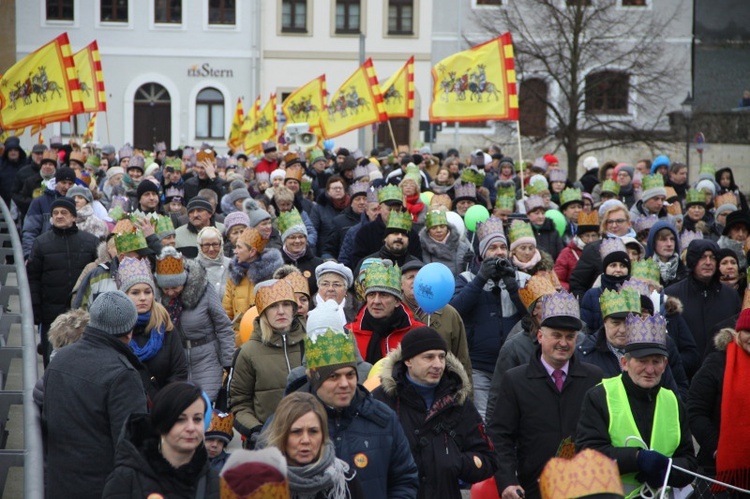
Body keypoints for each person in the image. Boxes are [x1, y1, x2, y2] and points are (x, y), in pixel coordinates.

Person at [288, 307, 419, 498]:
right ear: (314, 378)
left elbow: (404, 478)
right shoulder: (286, 422)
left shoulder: (382, 419)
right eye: (333, 376)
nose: (344, 384)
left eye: (350, 375)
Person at [488, 290, 604, 499]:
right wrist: (507, 480)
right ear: (540, 336)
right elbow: (500, 436)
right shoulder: (516, 380)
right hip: (533, 488)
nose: (563, 342)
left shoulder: (593, 377)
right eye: (556, 335)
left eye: (570, 337)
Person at [576, 313, 697, 497]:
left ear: (665, 365)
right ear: (624, 363)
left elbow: (688, 461)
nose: (650, 370)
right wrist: (636, 459)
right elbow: (588, 456)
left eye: (656, 362)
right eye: (642, 361)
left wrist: (666, 470)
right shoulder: (600, 396)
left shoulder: (672, 400)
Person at [42, 291, 147, 499]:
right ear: (129, 332)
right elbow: (132, 447)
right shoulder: (122, 375)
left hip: (59, 485)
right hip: (103, 489)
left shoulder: (60, 359)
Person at [373, 327, 498, 499]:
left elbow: (488, 458)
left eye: (441, 357)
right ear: (408, 360)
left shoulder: (458, 401)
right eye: (428, 357)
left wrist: (457, 462)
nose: (438, 364)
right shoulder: (381, 400)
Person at [451, 216, 529, 419]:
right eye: (492, 247)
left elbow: (534, 316)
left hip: (515, 366)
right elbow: (455, 311)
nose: (499, 252)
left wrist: (513, 287)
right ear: (482, 252)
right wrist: (480, 279)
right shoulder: (465, 279)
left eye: (502, 247)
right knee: (484, 419)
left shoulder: (522, 279)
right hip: (479, 367)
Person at [102, 382, 220, 498]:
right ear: (160, 423)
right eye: (180, 419)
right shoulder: (125, 481)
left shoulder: (215, 483)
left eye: (197, 419)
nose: (191, 428)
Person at [230, 279, 306, 447]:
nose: (281, 311)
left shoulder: (310, 343)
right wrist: (257, 431)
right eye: (273, 306)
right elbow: (239, 404)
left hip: (307, 440)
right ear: (263, 311)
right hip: (268, 442)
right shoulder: (248, 352)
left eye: (286, 304)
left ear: (294, 309)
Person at [155, 246, 235, 401]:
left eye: (175, 287)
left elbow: (223, 326)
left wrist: (228, 361)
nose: (170, 292)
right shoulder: (159, 300)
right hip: (177, 362)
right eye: (166, 288)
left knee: (205, 403)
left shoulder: (203, 290)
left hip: (207, 359)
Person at [26, 197, 99, 366]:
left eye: (64, 213)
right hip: (51, 313)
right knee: (52, 361)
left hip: (83, 313)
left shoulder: (90, 242)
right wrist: (35, 308)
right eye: (55, 213)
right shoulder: (41, 243)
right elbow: (33, 278)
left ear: (74, 217)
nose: (59, 216)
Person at [688, 309, 750, 493]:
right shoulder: (717, 363)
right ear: (738, 332)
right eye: (748, 331)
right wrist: (718, 449)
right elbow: (695, 410)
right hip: (719, 470)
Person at [258, 392, 365, 499]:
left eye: (313, 431)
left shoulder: (345, 480)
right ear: (281, 435)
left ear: (323, 435)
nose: (306, 440)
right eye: (296, 432)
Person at [116, 256, 187, 401]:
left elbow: (179, 372)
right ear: (124, 296)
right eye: (135, 293)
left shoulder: (166, 328)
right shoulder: (115, 332)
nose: (143, 298)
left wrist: (164, 402)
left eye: (147, 292)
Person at [664, 239, 741, 358]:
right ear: (693, 261)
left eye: (712, 257)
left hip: (720, 369)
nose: (708, 262)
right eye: (702, 257)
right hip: (685, 370)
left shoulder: (730, 296)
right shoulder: (672, 295)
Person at [400, 259, 472, 378]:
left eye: (420, 276)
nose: (416, 281)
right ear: (401, 284)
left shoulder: (450, 314)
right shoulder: (396, 311)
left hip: (444, 385)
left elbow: (462, 358)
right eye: (410, 277)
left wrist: (465, 391)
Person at [347, 259, 424, 364]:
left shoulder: (418, 333)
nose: (376, 301)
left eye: (384, 295)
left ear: (397, 301)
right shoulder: (349, 333)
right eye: (371, 295)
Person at [222, 226, 282, 323]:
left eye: (239, 247)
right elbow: (226, 313)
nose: (235, 251)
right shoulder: (234, 275)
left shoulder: (273, 276)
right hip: (239, 335)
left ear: (252, 251)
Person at [21, 166, 77, 258]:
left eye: (70, 183)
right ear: (56, 182)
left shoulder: (78, 202)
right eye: (63, 182)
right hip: (44, 255)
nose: (66, 187)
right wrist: (29, 255)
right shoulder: (39, 202)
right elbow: (30, 231)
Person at [581, 238, 631, 332]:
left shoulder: (636, 293)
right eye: (613, 265)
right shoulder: (592, 295)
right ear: (605, 269)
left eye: (623, 266)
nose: (618, 269)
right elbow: (586, 329)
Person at [278, 208, 323, 295]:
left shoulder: (318, 264)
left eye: (301, 237)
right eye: (292, 237)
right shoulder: (277, 263)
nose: (297, 241)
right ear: (285, 240)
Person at [418, 208, 473, 276]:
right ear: (428, 231)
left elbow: (470, 272)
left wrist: (471, 262)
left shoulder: (462, 247)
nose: (439, 230)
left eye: (442, 226)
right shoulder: (421, 248)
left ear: (447, 227)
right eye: (434, 228)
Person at [555, 211, 600, 291]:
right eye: (587, 236)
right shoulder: (567, 253)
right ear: (580, 236)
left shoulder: (602, 251)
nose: (590, 240)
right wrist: (572, 289)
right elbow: (558, 279)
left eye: (594, 235)